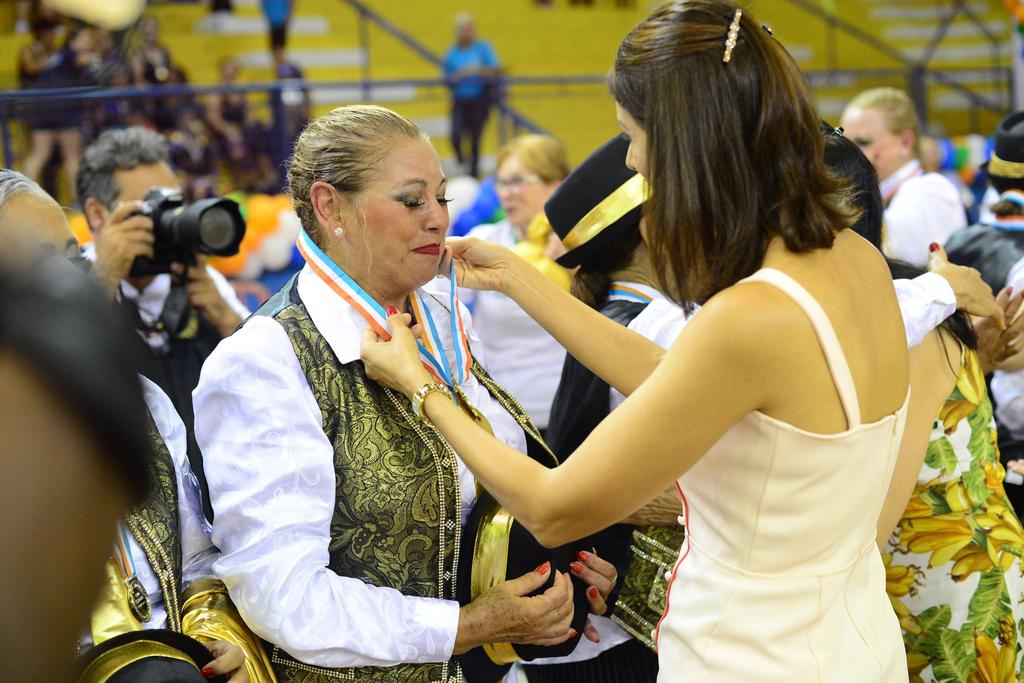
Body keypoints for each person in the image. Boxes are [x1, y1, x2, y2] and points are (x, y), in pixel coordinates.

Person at [360, 2, 947, 679]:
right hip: (852, 639)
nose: (633, 159)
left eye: (632, 136)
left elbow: (553, 508)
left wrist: (421, 387)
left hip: (752, 655)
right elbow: (680, 378)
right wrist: (525, 282)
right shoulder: (854, 256)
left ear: (688, 140)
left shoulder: (750, 317)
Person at [192, 105, 625, 681]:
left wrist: (565, 568)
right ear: (329, 207)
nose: (438, 220)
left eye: (442, 199)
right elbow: (285, 597)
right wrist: (467, 626)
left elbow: (487, 496)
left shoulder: (442, 314)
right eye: (412, 200)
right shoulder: (263, 361)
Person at [0, 170, 267, 683]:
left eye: (75, 258)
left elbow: (196, 563)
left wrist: (220, 635)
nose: (70, 280)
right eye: (40, 269)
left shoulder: (143, 398)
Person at [820, 128, 1024, 683]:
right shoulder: (870, 307)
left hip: (943, 583)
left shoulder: (909, 313)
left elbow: (884, 496)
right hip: (897, 579)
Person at [524, 135, 689, 681]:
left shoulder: (610, 316)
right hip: (639, 623)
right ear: (652, 229)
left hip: (591, 615)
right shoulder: (669, 327)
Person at [77, 127, 250, 516]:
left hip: (221, 503)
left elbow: (265, 389)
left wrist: (224, 318)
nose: (167, 220)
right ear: (98, 214)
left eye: (173, 203)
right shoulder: (73, 287)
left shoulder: (202, 281)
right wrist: (104, 280)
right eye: (149, 207)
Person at [463, 134, 571, 433]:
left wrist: (575, 270)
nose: (506, 194)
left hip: (570, 412)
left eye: (518, 181)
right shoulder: (483, 241)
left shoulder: (583, 246)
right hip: (502, 415)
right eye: (501, 182)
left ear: (556, 184)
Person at [840, 87, 967, 268]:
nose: (850, 154)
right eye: (845, 144)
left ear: (906, 141)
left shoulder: (932, 191)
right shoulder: (881, 193)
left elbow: (884, 253)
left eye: (863, 142)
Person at [443, 13, 500, 178]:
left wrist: (477, 70)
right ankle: (462, 160)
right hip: (459, 100)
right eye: (462, 29)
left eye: (468, 29)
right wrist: (461, 74)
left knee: (476, 139)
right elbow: (446, 78)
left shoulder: (483, 48)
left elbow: (495, 70)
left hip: (479, 100)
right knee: (455, 135)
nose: (465, 32)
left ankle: (473, 174)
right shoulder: (452, 52)